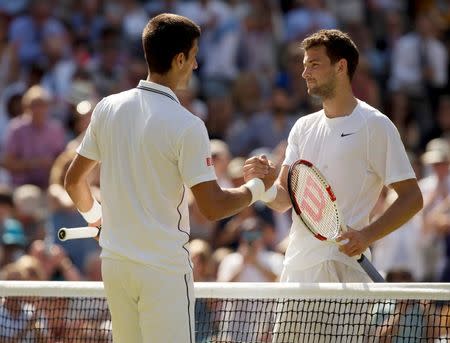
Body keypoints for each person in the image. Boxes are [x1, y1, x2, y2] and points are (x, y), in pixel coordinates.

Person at [64, 13, 276, 343]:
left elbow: (73, 181)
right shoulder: (187, 125)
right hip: (162, 271)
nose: (195, 66)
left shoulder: (107, 107)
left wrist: (97, 221)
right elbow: (213, 207)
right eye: (193, 57)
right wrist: (257, 188)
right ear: (179, 59)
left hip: (116, 267)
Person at [244, 29, 423, 341]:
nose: (304, 72)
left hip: (344, 274)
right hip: (298, 271)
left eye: (314, 64)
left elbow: (412, 198)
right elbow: (285, 200)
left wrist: (367, 235)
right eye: (304, 64)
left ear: (341, 67)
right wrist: (264, 184)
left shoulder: (376, 126)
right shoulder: (302, 127)